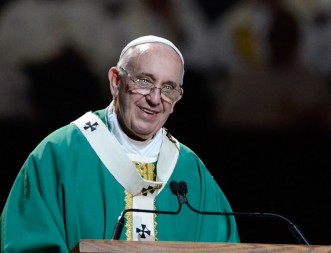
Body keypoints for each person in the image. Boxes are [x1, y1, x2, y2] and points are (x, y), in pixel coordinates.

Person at [0, 35, 240, 252]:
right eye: (145, 81)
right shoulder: (59, 154)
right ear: (116, 81)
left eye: (168, 88)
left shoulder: (190, 170)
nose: (155, 99)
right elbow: (27, 244)